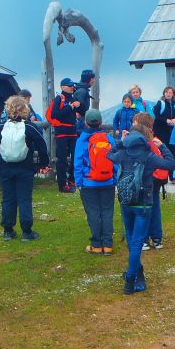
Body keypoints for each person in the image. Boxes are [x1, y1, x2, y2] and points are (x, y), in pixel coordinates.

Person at [107, 120, 175, 295]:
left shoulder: (122, 153)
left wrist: (120, 142)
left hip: (126, 201)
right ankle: (131, 277)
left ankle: (136, 274)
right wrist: (163, 146)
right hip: (144, 203)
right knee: (137, 242)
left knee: (131, 240)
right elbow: (170, 164)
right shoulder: (148, 155)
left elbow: (109, 154)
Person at [0, 95, 50, 240]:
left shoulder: (0, 128)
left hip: (5, 169)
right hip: (25, 169)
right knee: (24, 199)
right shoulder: (29, 127)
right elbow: (42, 146)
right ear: (25, 110)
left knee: (8, 199)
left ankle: (8, 231)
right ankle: (27, 232)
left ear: (8, 109)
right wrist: (42, 164)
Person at [74, 109, 116, 255]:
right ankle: (108, 245)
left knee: (93, 212)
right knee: (107, 212)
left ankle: (96, 245)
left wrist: (79, 182)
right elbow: (115, 161)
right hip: (108, 181)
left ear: (86, 123)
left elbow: (78, 163)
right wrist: (114, 178)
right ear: (101, 123)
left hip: (89, 183)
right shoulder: (109, 139)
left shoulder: (82, 140)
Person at [134, 112, 170, 250]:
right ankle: (156, 238)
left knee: (143, 209)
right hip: (158, 179)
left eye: (135, 122)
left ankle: (143, 239)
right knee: (155, 207)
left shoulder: (141, 141)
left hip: (147, 179)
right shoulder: (154, 139)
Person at [50, 77, 80, 192]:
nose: (72, 87)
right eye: (69, 85)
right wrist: (71, 107)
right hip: (61, 133)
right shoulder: (59, 98)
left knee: (75, 157)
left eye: (72, 85)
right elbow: (55, 114)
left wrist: (78, 105)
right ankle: (62, 185)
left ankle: (72, 180)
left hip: (72, 132)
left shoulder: (73, 97)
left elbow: (80, 111)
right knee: (62, 159)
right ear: (62, 87)